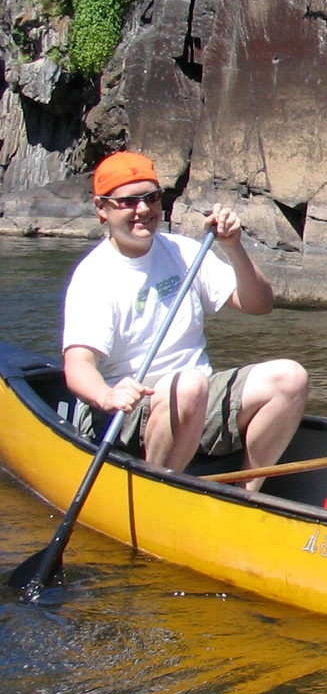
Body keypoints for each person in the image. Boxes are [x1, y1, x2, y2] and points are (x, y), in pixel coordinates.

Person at [61, 151, 308, 492]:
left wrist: (233, 248)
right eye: (128, 202)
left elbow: (259, 305)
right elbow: (78, 367)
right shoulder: (95, 276)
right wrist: (106, 396)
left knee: (290, 377)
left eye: (151, 197)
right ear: (102, 209)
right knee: (189, 385)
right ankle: (159, 491)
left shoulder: (183, 251)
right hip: (125, 413)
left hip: (195, 397)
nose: (144, 210)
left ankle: (247, 494)